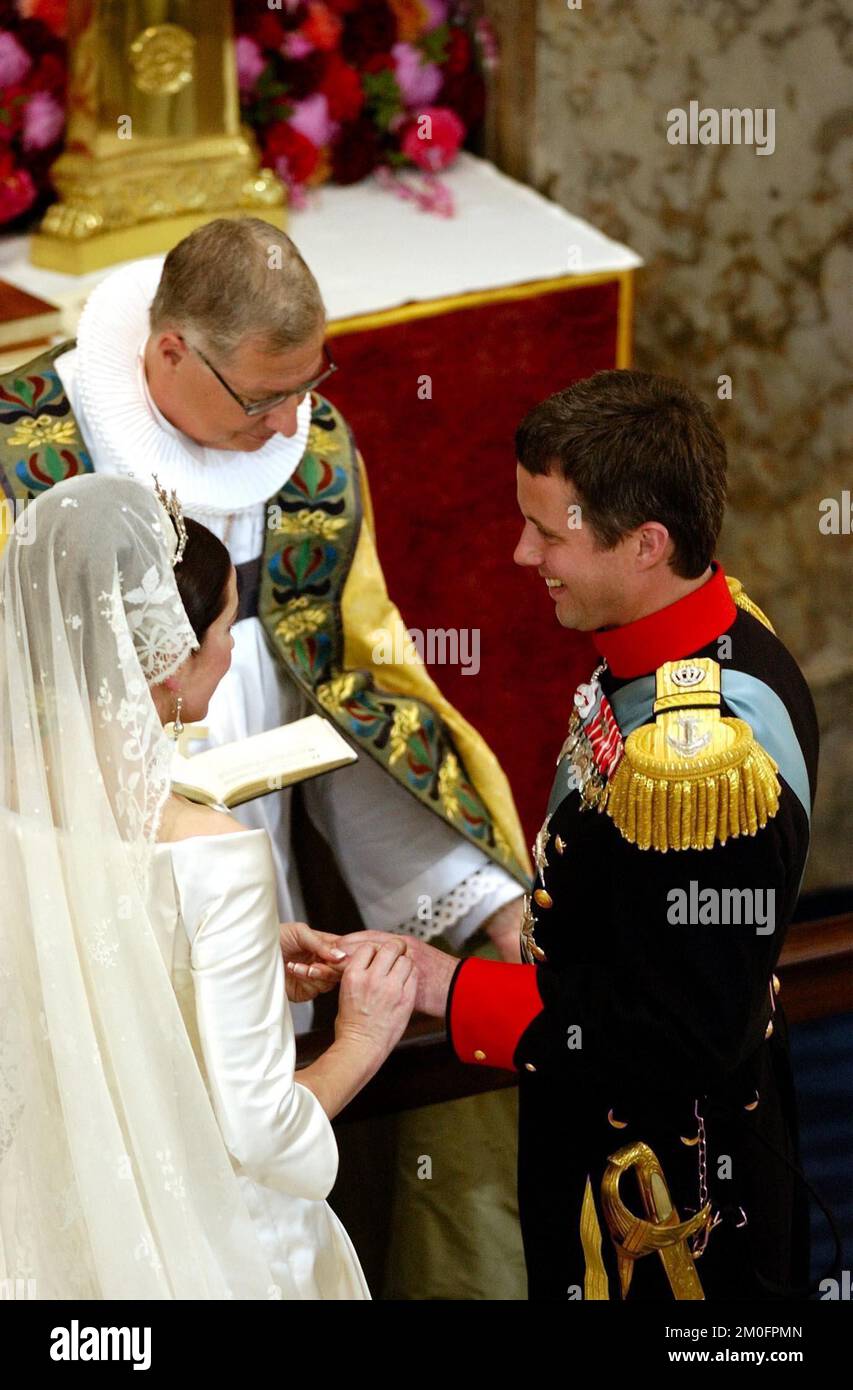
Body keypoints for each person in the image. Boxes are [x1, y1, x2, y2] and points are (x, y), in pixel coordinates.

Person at [0, 217, 530, 1298]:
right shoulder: (22, 453)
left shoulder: (311, 451)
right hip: (62, 889)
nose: (295, 419)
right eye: (262, 398)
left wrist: (468, 896)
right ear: (168, 355)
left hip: (244, 863)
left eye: (311, 384)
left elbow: (351, 690)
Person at [348, 369, 819, 1301]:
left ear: (646, 543)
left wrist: (459, 991)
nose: (523, 555)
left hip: (665, 1200)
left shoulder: (694, 759)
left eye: (548, 531)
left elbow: (681, 1036)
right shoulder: (710, 630)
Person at [0, 471, 417, 1300]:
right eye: (228, 626)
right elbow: (260, 1134)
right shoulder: (212, 854)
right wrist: (361, 1041)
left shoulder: (16, 804)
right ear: (166, 663)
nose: (232, 648)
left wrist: (240, 957)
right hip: (199, 1249)